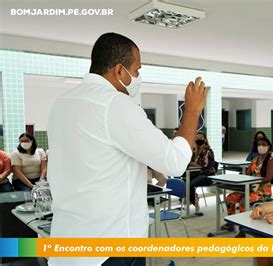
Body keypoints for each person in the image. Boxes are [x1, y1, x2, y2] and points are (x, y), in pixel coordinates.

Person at [47, 32, 207, 266]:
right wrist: (192, 110)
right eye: (137, 70)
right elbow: (174, 161)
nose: (138, 77)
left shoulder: (62, 104)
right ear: (120, 71)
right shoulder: (115, 104)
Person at [222, 137, 273, 228]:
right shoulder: (255, 160)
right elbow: (248, 174)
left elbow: (268, 178)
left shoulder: (272, 161)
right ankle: (230, 223)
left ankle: (243, 228)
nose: (261, 146)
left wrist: (255, 182)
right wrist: (246, 179)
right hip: (249, 187)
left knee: (243, 202)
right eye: (259, 144)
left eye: (263, 144)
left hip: (263, 191)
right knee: (229, 199)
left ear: (269, 147)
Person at [186, 131, 216, 213]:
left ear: (205, 140)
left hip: (207, 175)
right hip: (196, 173)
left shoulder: (208, 151)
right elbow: (188, 162)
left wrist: (191, 163)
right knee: (183, 182)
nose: (199, 139)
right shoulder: (194, 151)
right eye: (197, 138)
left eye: (201, 138)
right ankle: (194, 198)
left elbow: (203, 166)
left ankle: (195, 203)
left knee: (189, 184)